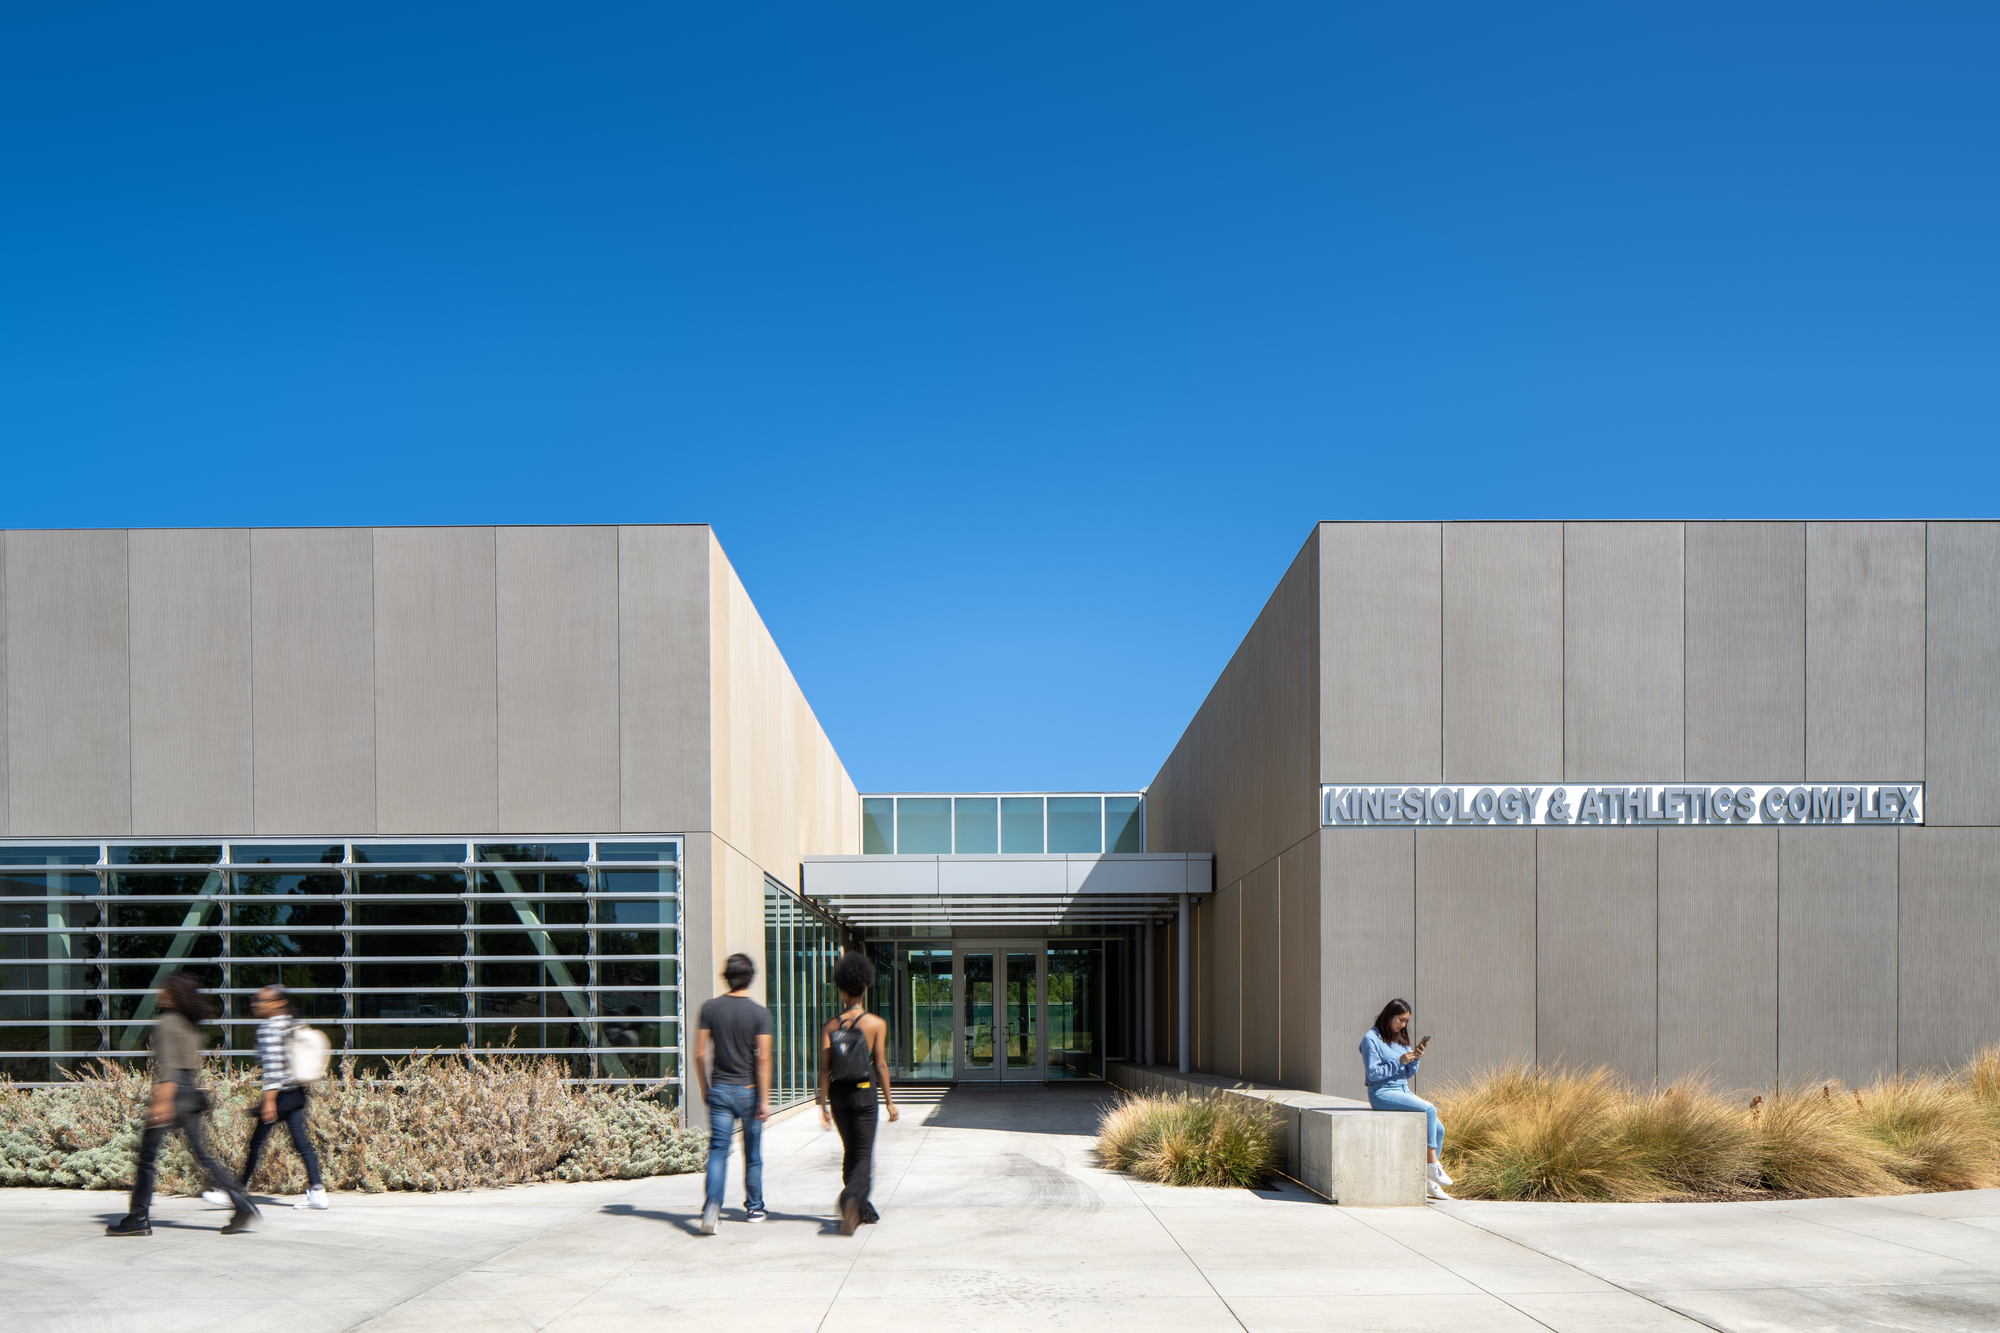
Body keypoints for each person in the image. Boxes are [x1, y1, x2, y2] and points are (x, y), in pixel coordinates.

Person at [106, 971, 260, 1236]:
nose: (160, 993)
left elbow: (169, 1068)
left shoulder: (166, 1021)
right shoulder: (190, 1024)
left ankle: (138, 1217)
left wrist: (161, 1103)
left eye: (165, 989)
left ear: (174, 994)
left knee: (146, 1158)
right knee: (203, 1155)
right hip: (191, 1091)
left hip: (173, 1091)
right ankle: (242, 1202)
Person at [208, 985, 328, 1211]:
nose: (255, 1004)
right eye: (254, 1000)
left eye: (261, 1001)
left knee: (255, 1144)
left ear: (278, 1003)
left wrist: (269, 1100)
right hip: (297, 1093)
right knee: (302, 1143)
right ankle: (318, 1193)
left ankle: (236, 1192)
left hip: (281, 1096)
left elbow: (273, 1068)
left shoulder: (269, 1028)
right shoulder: (292, 1023)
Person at [817, 951, 898, 1236]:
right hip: (865, 1094)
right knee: (863, 1155)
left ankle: (860, 1208)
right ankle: (850, 1198)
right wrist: (889, 1103)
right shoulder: (876, 1024)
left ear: (841, 989)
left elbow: (825, 1069)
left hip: (839, 1095)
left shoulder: (830, 1026)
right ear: (865, 987)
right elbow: (881, 1065)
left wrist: (822, 1105)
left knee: (850, 1152)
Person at [694, 952, 773, 1235]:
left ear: (726, 976)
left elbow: (700, 1053)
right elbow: (763, 1059)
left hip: (720, 1091)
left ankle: (712, 1206)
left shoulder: (710, 1008)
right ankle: (754, 1208)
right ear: (750, 978)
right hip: (750, 1093)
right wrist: (764, 1099)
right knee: (752, 1154)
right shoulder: (759, 1013)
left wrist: (705, 1087)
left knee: (717, 1151)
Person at [1361, 998, 1451, 1200]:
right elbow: (1373, 1073)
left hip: (1402, 1090)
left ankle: (1428, 1181)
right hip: (1381, 1093)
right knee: (1429, 1109)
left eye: (1406, 1022)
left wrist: (1415, 1059)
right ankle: (1432, 1166)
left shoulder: (1399, 1038)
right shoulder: (1370, 1039)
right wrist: (1399, 1061)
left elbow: (1405, 1073)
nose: (1403, 1025)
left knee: (1439, 1128)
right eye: (1400, 1020)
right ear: (1389, 1016)